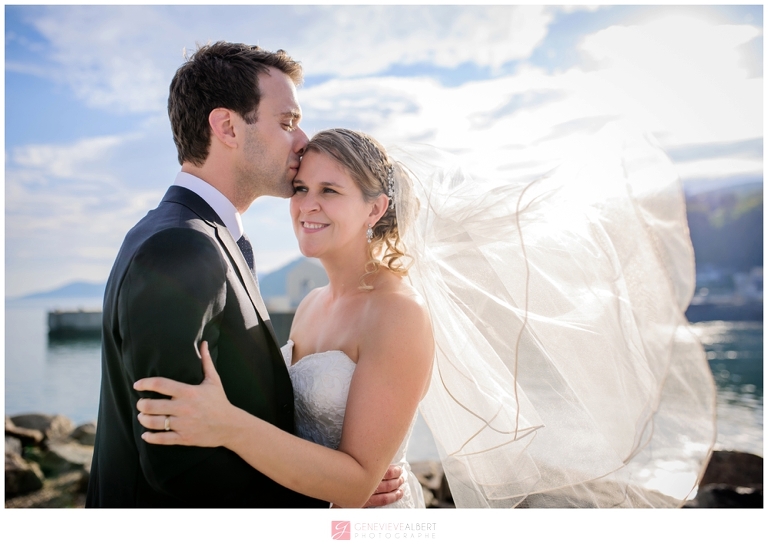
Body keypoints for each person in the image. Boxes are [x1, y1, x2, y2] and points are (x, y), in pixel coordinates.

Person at [136, 123, 717, 508]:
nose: (308, 205)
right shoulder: (313, 304)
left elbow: (360, 479)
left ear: (376, 208)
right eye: (302, 189)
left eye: (331, 191)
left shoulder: (398, 315)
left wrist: (227, 426)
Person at [86, 43, 403, 508]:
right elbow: (177, 463)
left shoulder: (185, 233)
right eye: (287, 122)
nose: (302, 141)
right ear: (228, 127)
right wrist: (330, 492)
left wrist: (335, 473)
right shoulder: (182, 247)